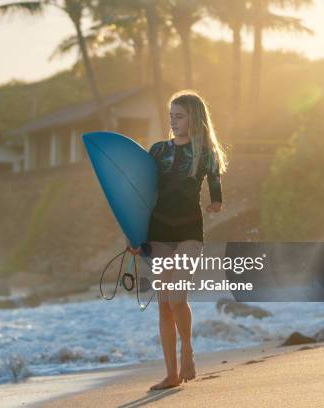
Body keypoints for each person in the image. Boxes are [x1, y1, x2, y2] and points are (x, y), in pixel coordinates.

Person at [128, 90, 228, 391]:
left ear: (194, 118)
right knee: (163, 305)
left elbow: (215, 188)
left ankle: (188, 350)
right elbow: (140, 193)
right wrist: (133, 233)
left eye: (179, 116)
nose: (173, 121)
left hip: (188, 231)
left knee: (177, 298)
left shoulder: (205, 153)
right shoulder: (157, 150)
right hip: (158, 231)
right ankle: (171, 375)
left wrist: (216, 204)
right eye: (171, 116)